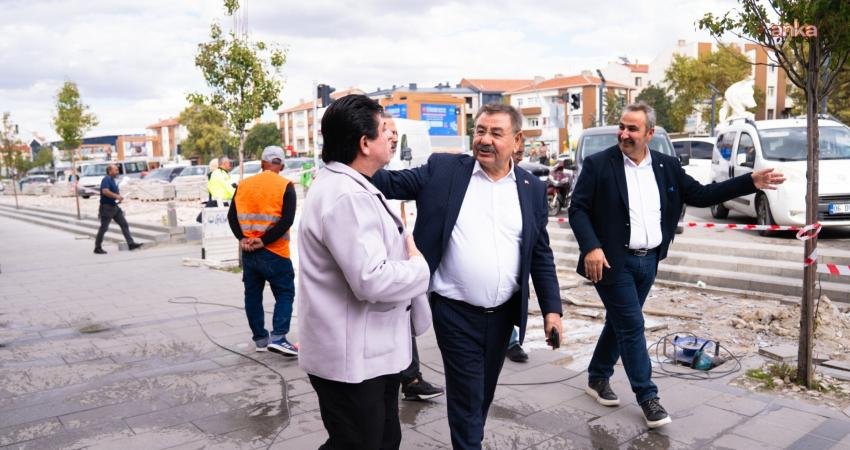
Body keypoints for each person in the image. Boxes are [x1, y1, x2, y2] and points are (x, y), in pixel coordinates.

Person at [568, 102, 785, 429]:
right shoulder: (599, 165)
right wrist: (591, 247)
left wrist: (749, 182)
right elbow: (578, 209)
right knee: (631, 325)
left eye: (633, 129)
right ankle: (647, 396)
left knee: (620, 322)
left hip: (649, 260)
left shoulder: (666, 166)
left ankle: (597, 376)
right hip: (611, 262)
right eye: (622, 127)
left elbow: (701, 194)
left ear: (649, 134)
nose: (624, 134)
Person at [373, 103, 563, 449]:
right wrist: (350, 149)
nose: (484, 140)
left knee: (481, 394)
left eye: (495, 133)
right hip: (454, 311)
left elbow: (540, 253)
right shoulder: (445, 170)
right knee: (466, 396)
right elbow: (386, 181)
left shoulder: (531, 188)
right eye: (480, 131)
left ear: (517, 140)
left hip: (504, 316)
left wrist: (553, 310)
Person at [298, 95, 431, 449]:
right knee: (362, 441)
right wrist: (419, 268)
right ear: (364, 143)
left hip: (367, 355)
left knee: (380, 438)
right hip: (352, 361)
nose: (392, 137)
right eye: (385, 130)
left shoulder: (351, 186)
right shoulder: (347, 196)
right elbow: (371, 278)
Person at [382, 113, 445, 401]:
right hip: (386, 268)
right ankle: (409, 377)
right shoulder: (368, 175)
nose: (394, 137)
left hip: (399, 262)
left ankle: (411, 377)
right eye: (387, 130)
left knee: (404, 318)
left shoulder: (393, 169)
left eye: (396, 132)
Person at [227, 146, 298, 356]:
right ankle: (278, 337)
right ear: (282, 165)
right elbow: (287, 220)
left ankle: (260, 339)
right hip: (276, 251)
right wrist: (264, 241)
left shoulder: (243, 185)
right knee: (285, 293)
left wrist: (243, 239)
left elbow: (231, 217)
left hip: (249, 253)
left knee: (253, 296)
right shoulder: (286, 185)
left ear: (261, 164)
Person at [93, 164, 142, 254]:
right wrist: (116, 196)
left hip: (114, 207)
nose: (117, 171)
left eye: (117, 170)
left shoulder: (112, 180)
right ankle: (97, 247)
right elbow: (105, 191)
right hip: (106, 208)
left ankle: (131, 244)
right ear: (110, 171)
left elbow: (113, 193)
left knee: (124, 224)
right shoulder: (106, 179)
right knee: (104, 228)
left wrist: (118, 198)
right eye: (115, 170)